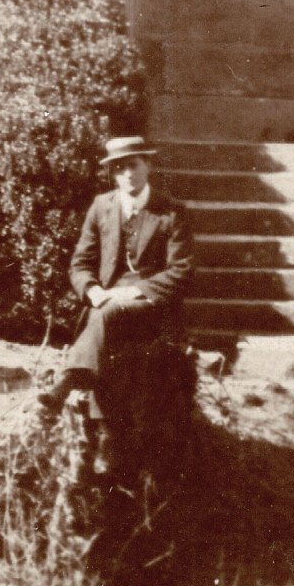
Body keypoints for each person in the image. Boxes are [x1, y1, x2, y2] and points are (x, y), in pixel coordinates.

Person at [60, 134, 197, 480]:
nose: (127, 175)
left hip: (150, 304)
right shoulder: (102, 206)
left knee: (105, 316)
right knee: (104, 315)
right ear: (112, 174)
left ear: (148, 165)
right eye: (119, 168)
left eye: (133, 165)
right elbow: (80, 263)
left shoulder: (171, 211)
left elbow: (182, 271)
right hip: (106, 302)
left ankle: (71, 379)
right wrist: (91, 290)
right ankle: (106, 438)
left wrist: (135, 292)